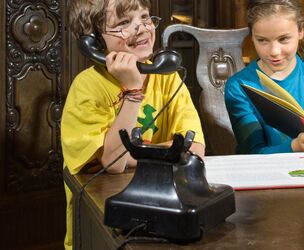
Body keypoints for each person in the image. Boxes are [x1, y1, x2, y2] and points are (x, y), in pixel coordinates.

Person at [62, 0, 205, 248]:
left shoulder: (168, 79)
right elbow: (115, 163)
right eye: (123, 23)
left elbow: (194, 150)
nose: (141, 28)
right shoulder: (86, 88)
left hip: (159, 210)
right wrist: (133, 92)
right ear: (94, 42)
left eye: (145, 17)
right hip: (99, 227)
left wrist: (134, 154)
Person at [224, 0, 304, 154]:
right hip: (271, 174)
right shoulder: (239, 86)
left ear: (300, 31)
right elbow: (252, 152)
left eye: (283, 39)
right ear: (252, 37)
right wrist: (294, 147)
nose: (274, 51)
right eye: (262, 40)